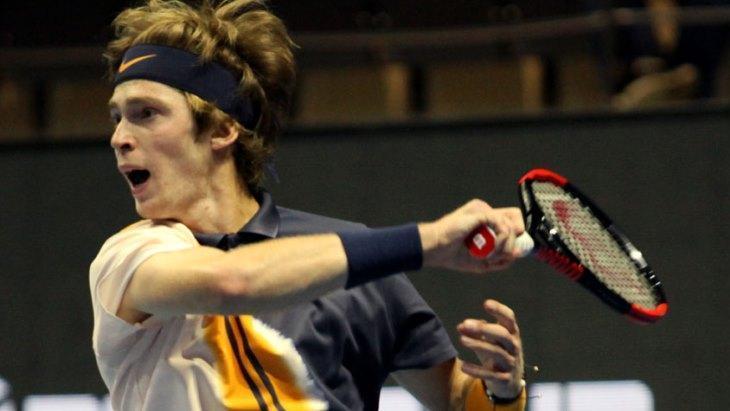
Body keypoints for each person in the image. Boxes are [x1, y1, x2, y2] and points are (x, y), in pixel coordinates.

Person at [90, 1, 528, 410]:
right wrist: (429, 241)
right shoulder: (130, 258)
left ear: (222, 130)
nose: (119, 138)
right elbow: (233, 281)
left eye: (146, 113)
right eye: (117, 117)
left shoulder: (353, 259)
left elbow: (456, 398)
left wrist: (502, 389)